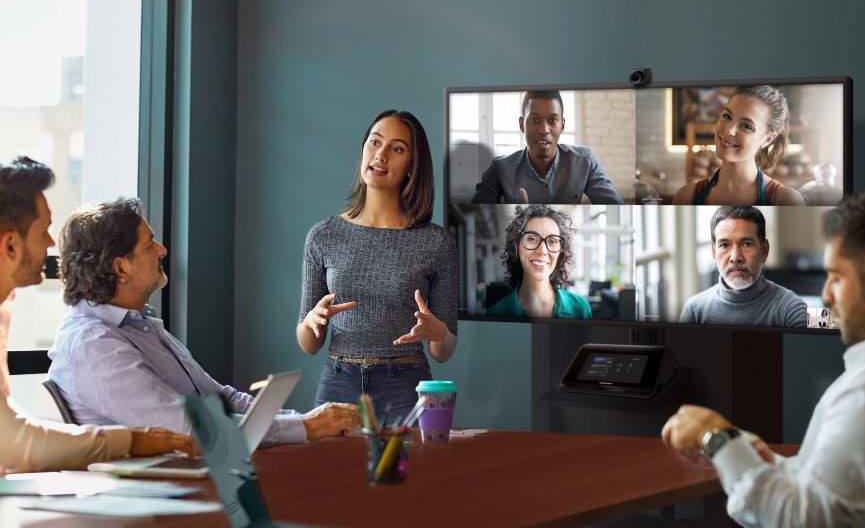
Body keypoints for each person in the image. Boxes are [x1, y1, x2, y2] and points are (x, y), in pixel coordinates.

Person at [662, 191, 865, 526]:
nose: (826, 296)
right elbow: (821, 485)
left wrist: (715, 437)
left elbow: (805, 519)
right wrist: (752, 455)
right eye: (724, 245)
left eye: (836, 277)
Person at [47, 198, 358, 445]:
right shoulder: (93, 345)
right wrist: (303, 427)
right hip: (160, 498)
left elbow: (220, 399)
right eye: (149, 244)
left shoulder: (141, 324)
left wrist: (308, 421)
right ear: (121, 268)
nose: (162, 250)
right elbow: (189, 428)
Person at [0, 157, 195, 472]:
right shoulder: (91, 340)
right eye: (43, 231)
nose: (52, 244)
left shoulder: (4, 308)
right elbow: (16, 445)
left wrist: (131, 440)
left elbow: (12, 432)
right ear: (10, 246)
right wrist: (131, 441)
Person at [297, 110, 458, 423]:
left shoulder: (435, 243)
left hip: (405, 384)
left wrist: (438, 331)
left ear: (412, 167)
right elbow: (308, 344)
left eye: (397, 149)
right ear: (364, 151)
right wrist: (312, 322)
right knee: (330, 472)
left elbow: (443, 351)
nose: (381, 155)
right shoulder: (323, 235)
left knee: (406, 473)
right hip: (337, 381)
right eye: (375, 143)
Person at [471, 90, 624, 204]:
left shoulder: (585, 161)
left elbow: (616, 206)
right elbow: (476, 217)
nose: (544, 130)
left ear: (562, 125)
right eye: (535, 120)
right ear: (521, 124)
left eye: (552, 120)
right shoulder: (499, 169)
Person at [673, 85, 805, 205]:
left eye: (746, 126)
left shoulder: (786, 200)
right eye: (727, 116)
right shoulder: (687, 197)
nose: (729, 130)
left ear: (767, 139)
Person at [680, 206, 806, 328]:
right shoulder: (693, 311)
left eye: (746, 244)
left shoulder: (793, 308)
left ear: (764, 251)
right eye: (724, 245)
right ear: (714, 253)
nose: (735, 257)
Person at [487, 205, 591, 320]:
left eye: (552, 241)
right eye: (531, 239)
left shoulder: (581, 308)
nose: (542, 251)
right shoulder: (495, 313)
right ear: (516, 246)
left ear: (560, 252)